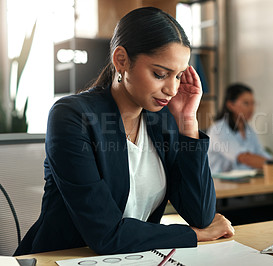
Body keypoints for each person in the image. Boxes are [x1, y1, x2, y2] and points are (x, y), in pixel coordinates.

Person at [14, 7, 234, 256]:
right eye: (160, 74)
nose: (172, 89)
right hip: (62, 259)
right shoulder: (72, 116)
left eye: (179, 76)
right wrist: (194, 235)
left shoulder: (162, 121)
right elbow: (105, 235)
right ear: (121, 60)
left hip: (133, 259)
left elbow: (202, 214)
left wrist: (187, 122)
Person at [207, 83, 273, 174]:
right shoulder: (219, 130)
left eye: (253, 103)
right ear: (230, 105)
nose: (251, 108)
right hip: (220, 184)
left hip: (244, 182)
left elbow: (261, 154)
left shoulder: (248, 130)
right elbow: (245, 158)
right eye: (246, 103)